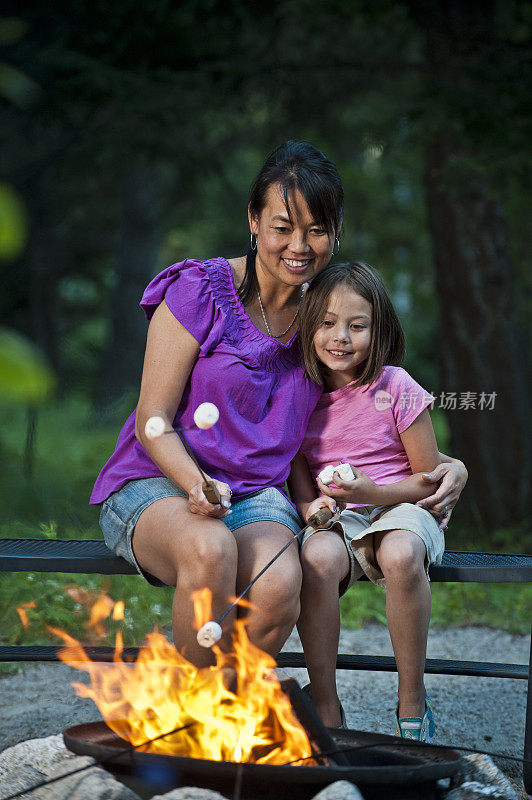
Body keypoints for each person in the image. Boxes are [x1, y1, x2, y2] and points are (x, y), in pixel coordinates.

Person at [90, 141, 467, 670]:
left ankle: (226, 722)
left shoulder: (326, 318)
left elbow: (379, 410)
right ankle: (194, 728)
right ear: (253, 220)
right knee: (211, 550)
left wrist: (455, 467)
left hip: (258, 497)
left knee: (281, 582)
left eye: (317, 230)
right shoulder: (199, 291)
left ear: (335, 232)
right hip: (162, 482)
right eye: (282, 226)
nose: (299, 245)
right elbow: (153, 420)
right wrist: (196, 486)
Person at [289, 261, 460, 740]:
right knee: (316, 557)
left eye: (356, 325)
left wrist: (372, 493)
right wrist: (309, 508)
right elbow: (297, 470)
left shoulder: (395, 387)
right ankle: (325, 707)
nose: (339, 337)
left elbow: (428, 481)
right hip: (340, 517)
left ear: (378, 329)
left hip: (404, 508)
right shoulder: (299, 396)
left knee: (401, 553)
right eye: (326, 323)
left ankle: (412, 703)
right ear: (306, 327)